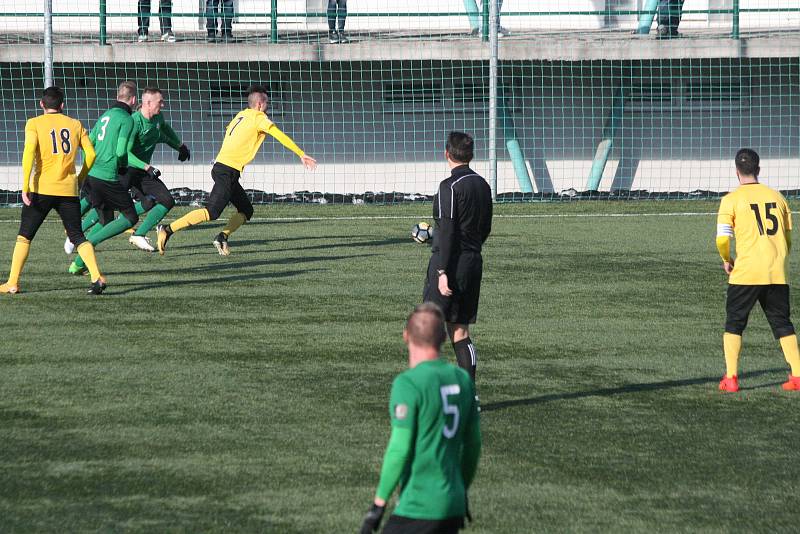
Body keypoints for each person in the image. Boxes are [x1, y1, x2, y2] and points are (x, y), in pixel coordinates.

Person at [360, 303, 481, 534]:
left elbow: (399, 448)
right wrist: (460, 488)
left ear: (406, 335)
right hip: (453, 505)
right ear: (445, 338)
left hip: (418, 506)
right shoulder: (463, 380)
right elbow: (473, 445)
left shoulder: (409, 384)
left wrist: (378, 504)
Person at [156, 85, 316, 256]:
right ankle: (167, 229)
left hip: (225, 169)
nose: (268, 106)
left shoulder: (241, 115)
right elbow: (279, 135)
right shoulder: (259, 117)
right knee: (212, 212)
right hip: (226, 171)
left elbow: (230, 134)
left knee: (246, 210)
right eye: (267, 103)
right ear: (260, 105)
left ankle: (222, 236)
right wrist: (301, 154)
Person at [0, 86, 107, 295]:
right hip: (68, 190)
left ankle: (12, 282)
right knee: (77, 236)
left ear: (42, 104)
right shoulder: (75, 124)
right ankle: (96, 276)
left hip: (42, 189)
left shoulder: (34, 123)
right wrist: (81, 177)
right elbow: (91, 154)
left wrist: (25, 186)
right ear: (62, 105)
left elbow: (28, 153)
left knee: (25, 236)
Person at [716, 148, 800, 392]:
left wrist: (726, 259)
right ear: (758, 169)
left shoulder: (731, 199)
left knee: (735, 322)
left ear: (736, 172)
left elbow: (722, 239)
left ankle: (731, 378)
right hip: (776, 272)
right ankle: (797, 375)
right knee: (782, 323)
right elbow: (788, 238)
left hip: (746, 272)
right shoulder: (778, 198)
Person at [423, 132, 492, 382]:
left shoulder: (449, 187)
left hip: (450, 264)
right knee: (460, 330)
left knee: (427, 327)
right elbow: (485, 228)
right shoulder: (483, 185)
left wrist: (442, 272)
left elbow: (449, 231)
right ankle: (469, 395)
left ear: (446, 153)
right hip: (473, 262)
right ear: (471, 155)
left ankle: (429, 392)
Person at [67, 83, 141, 276]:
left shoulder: (105, 115)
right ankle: (88, 245)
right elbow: (121, 151)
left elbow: (89, 142)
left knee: (106, 218)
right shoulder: (127, 119)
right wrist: (123, 166)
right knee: (131, 217)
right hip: (107, 177)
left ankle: (77, 264)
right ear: (133, 100)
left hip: (92, 174)